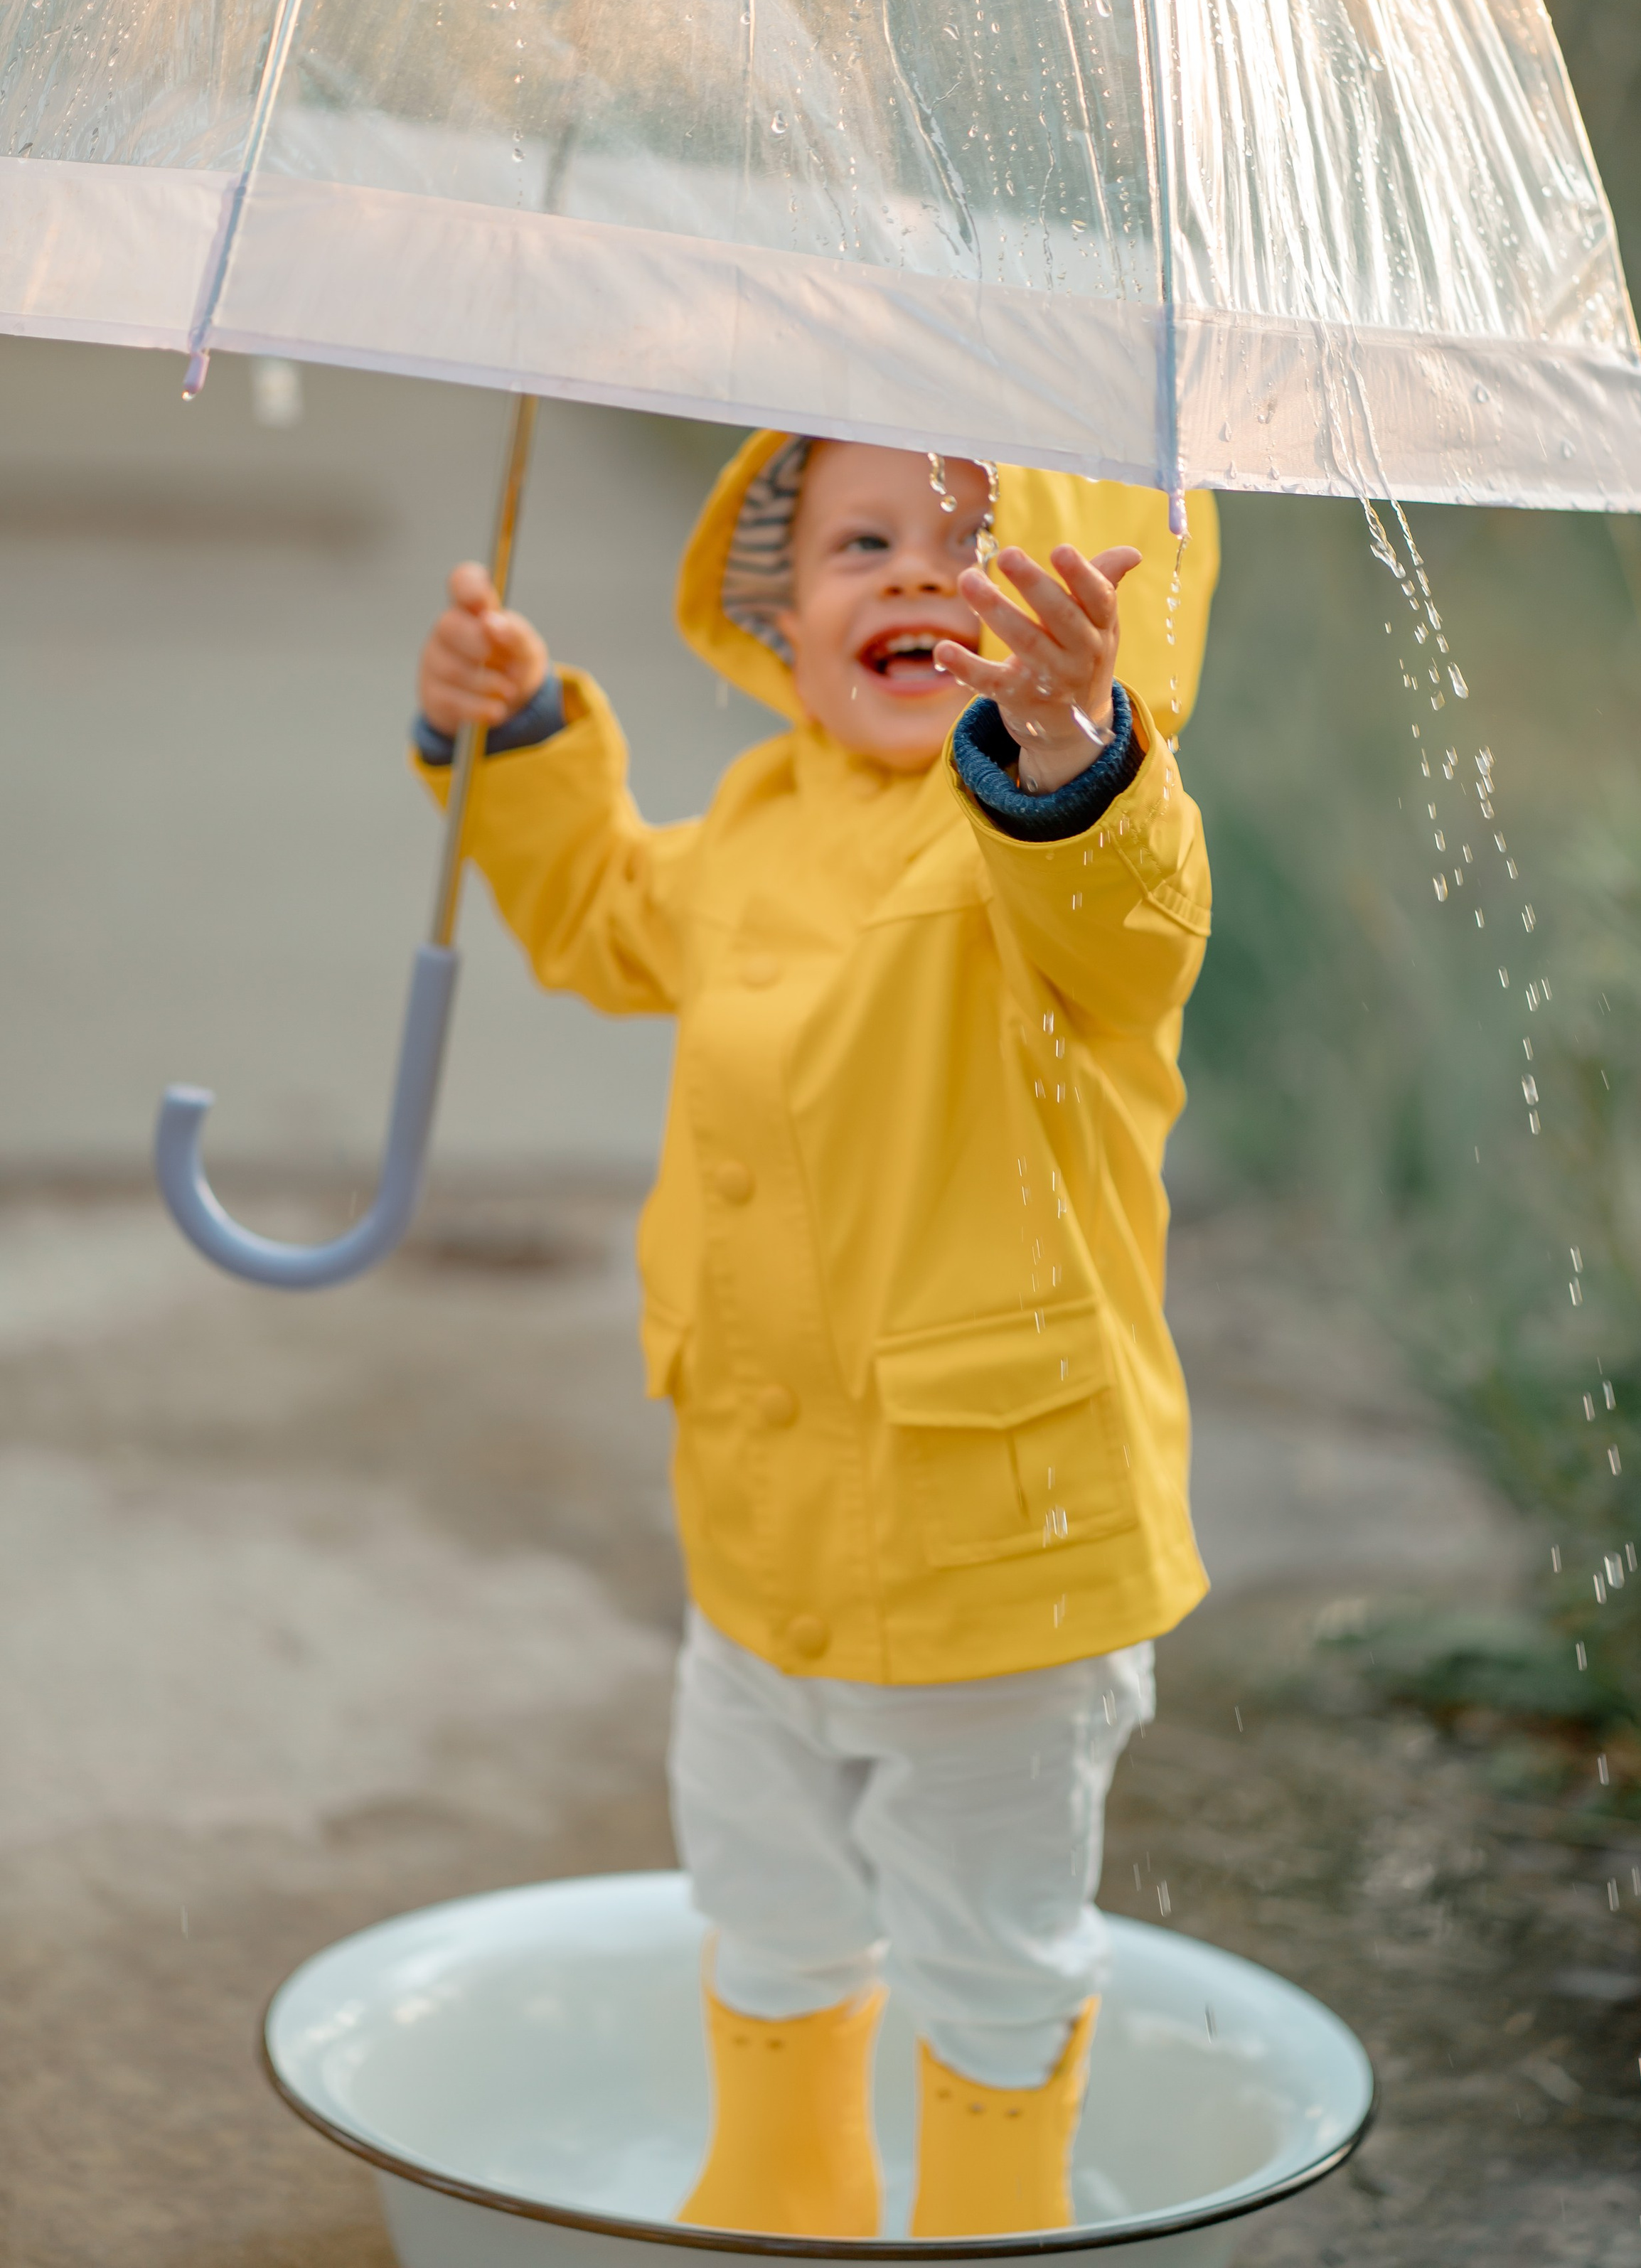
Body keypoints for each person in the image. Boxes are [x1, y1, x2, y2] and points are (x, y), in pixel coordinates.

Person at [413, 430, 1218, 2239]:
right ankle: (782, 2187)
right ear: (776, 617)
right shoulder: (764, 820)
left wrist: (1070, 746)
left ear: (1105, 614)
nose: (922, 574)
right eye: (861, 540)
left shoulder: (1063, 850)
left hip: (995, 1558)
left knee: (988, 1940)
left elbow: (1124, 914)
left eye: (985, 542)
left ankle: (991, 2212)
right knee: (765, 1897)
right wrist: (519, 738)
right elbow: (608, 913)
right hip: (760, 1530)